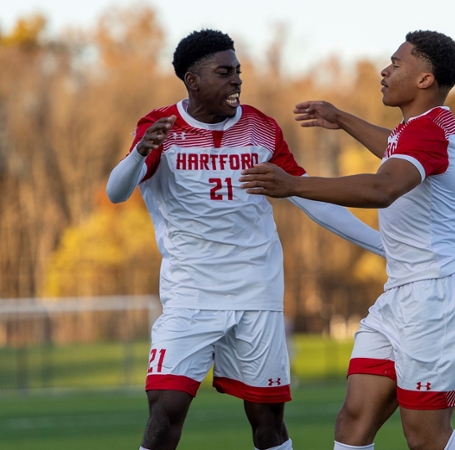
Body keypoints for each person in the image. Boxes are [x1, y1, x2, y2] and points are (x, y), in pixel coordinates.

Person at [106, 29, 384, 450]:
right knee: (165, 410)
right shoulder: (160, 127)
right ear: (193, 80)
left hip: (257, 292)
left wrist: (382, 245)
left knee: (268, 424)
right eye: (225, 72)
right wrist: (139, 153)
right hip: (190, 294)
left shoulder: (261, 128)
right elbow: (116, 192)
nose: (237, 80)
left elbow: (307, 195)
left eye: (238, 71)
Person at [241, 30, 455, 450]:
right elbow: (393, 147)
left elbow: (382, 189)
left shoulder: (428, 132)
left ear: (424, 80)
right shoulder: (416, 129)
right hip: (400, 294)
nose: (385, 69)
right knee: (353, 422)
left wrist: (294, 186)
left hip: (438, 297)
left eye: (397, 63)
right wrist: (341, 119)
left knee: (427, 439)